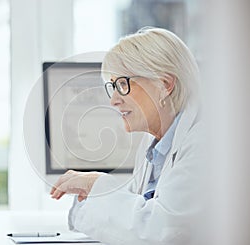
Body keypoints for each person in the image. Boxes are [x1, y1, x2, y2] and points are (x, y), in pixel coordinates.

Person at [50, 27, 204, 244]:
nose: (113, 100)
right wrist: (96, 191)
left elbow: (162, 233)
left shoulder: (204, 144)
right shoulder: (153, 148)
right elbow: (130, 221)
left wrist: (98, 186)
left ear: (165, 84)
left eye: (123, 84)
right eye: (112, 86)